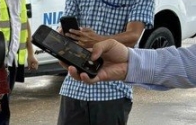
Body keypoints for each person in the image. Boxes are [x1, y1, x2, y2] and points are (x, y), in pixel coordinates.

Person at [66, 39, 196, 89]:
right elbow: (188, 63)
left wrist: (96, 38)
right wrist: (128, 64)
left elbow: (134, 35)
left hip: (115, 94)